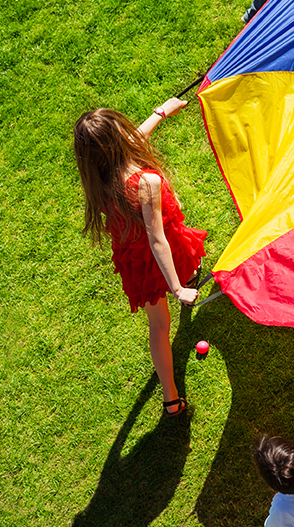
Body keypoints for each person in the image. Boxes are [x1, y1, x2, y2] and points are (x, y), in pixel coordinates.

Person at [74, 100, 207, 419]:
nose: (130, 131)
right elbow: (158, 239)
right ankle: (185, 281)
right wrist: (176, 289)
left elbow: (136, 140)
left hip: (135, 261)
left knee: (158, 326)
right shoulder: (146, 183)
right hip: (165, 251)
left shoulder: (99, 178)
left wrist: (161, 113)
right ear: (117, 142)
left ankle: (171, 399)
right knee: (182, 274)